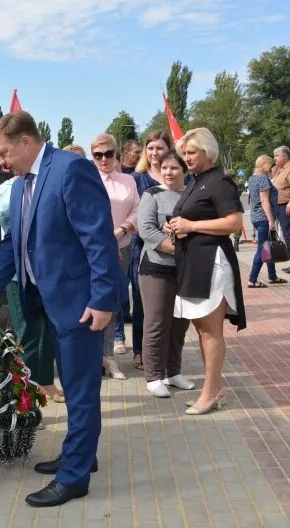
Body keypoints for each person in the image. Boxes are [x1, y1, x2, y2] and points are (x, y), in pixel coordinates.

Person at [0, 111, 124, 508]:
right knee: (73, 387)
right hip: (48, 303)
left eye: (4, 153)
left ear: (25, 141)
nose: (1, 163)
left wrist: (104, 300)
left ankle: (73, 478)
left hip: (79, 305)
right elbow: (13, 246)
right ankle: (81, 456)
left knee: (81, 389)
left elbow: (99, 239)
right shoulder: (22, 183)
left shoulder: (70, 170)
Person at [165, 127, 245, 415]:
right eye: (184, 153)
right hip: (194, 263)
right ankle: (215, 389)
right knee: (201, 329)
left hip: (212, 263)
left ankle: (211, 393)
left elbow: (234, 223)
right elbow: (190, 217)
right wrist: (174, 225)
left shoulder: (219, 182)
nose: (186, 157)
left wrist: (192, 226)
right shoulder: (196, 181)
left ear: (207, 152)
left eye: (192, 152)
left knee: (211, 332)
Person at [0, 175, 63, 417]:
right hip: (19, 281)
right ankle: (25, 406)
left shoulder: (49, 182)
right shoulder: (7, 189)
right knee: (28, 339)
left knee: (47, 333)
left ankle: (45, 383)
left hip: (50, 278)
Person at [137, 151, 194, 397]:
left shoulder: (193, 194)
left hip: (185, 270)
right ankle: (154, 376)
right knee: (157, 321)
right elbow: (147, 230)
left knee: (180, 323)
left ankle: (173, 372)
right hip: (156, 269)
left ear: (185, 170)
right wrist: (178, 250)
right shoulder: (152, 195)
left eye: (174, 168)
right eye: (165, 168)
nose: (169, 173)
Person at [90, 133, 138, 379]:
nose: (104, 159)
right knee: (95, 301)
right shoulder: (87, 180)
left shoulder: (128, 181)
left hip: (124, 246)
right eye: (98, 155)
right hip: (95, 251)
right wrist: (105, 243)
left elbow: (137, 209)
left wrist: (120, 231)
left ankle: (108, 357)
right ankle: (92, 357)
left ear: (116, 154)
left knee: (116, 301)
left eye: (108, 153)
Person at [129, 130, 175, 371]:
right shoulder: (138, 178)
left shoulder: (174, 175)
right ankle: (139, 351)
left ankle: (164, 353)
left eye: (159, 148)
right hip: (143, 247)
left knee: (167, 304)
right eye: (151, 148)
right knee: (142, 301)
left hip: (174, 247)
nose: (155, 153)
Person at [247, 155, 285, 288]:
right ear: (265, 164)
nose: (272, 166)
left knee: (270, 246)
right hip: (264, 218)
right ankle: (252, 279)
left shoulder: (252, 178)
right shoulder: (263, 179)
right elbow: (264, 200)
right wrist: (270, 220)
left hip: (256, 217)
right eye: (270, 164)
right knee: (262, 249)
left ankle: (272, 275)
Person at [272, 145, 290, 274]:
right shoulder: (280, 169)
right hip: (280, 206)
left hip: (287, 206)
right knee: (287, 235)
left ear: (285, 156)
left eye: (277, 155)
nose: (274, 158)